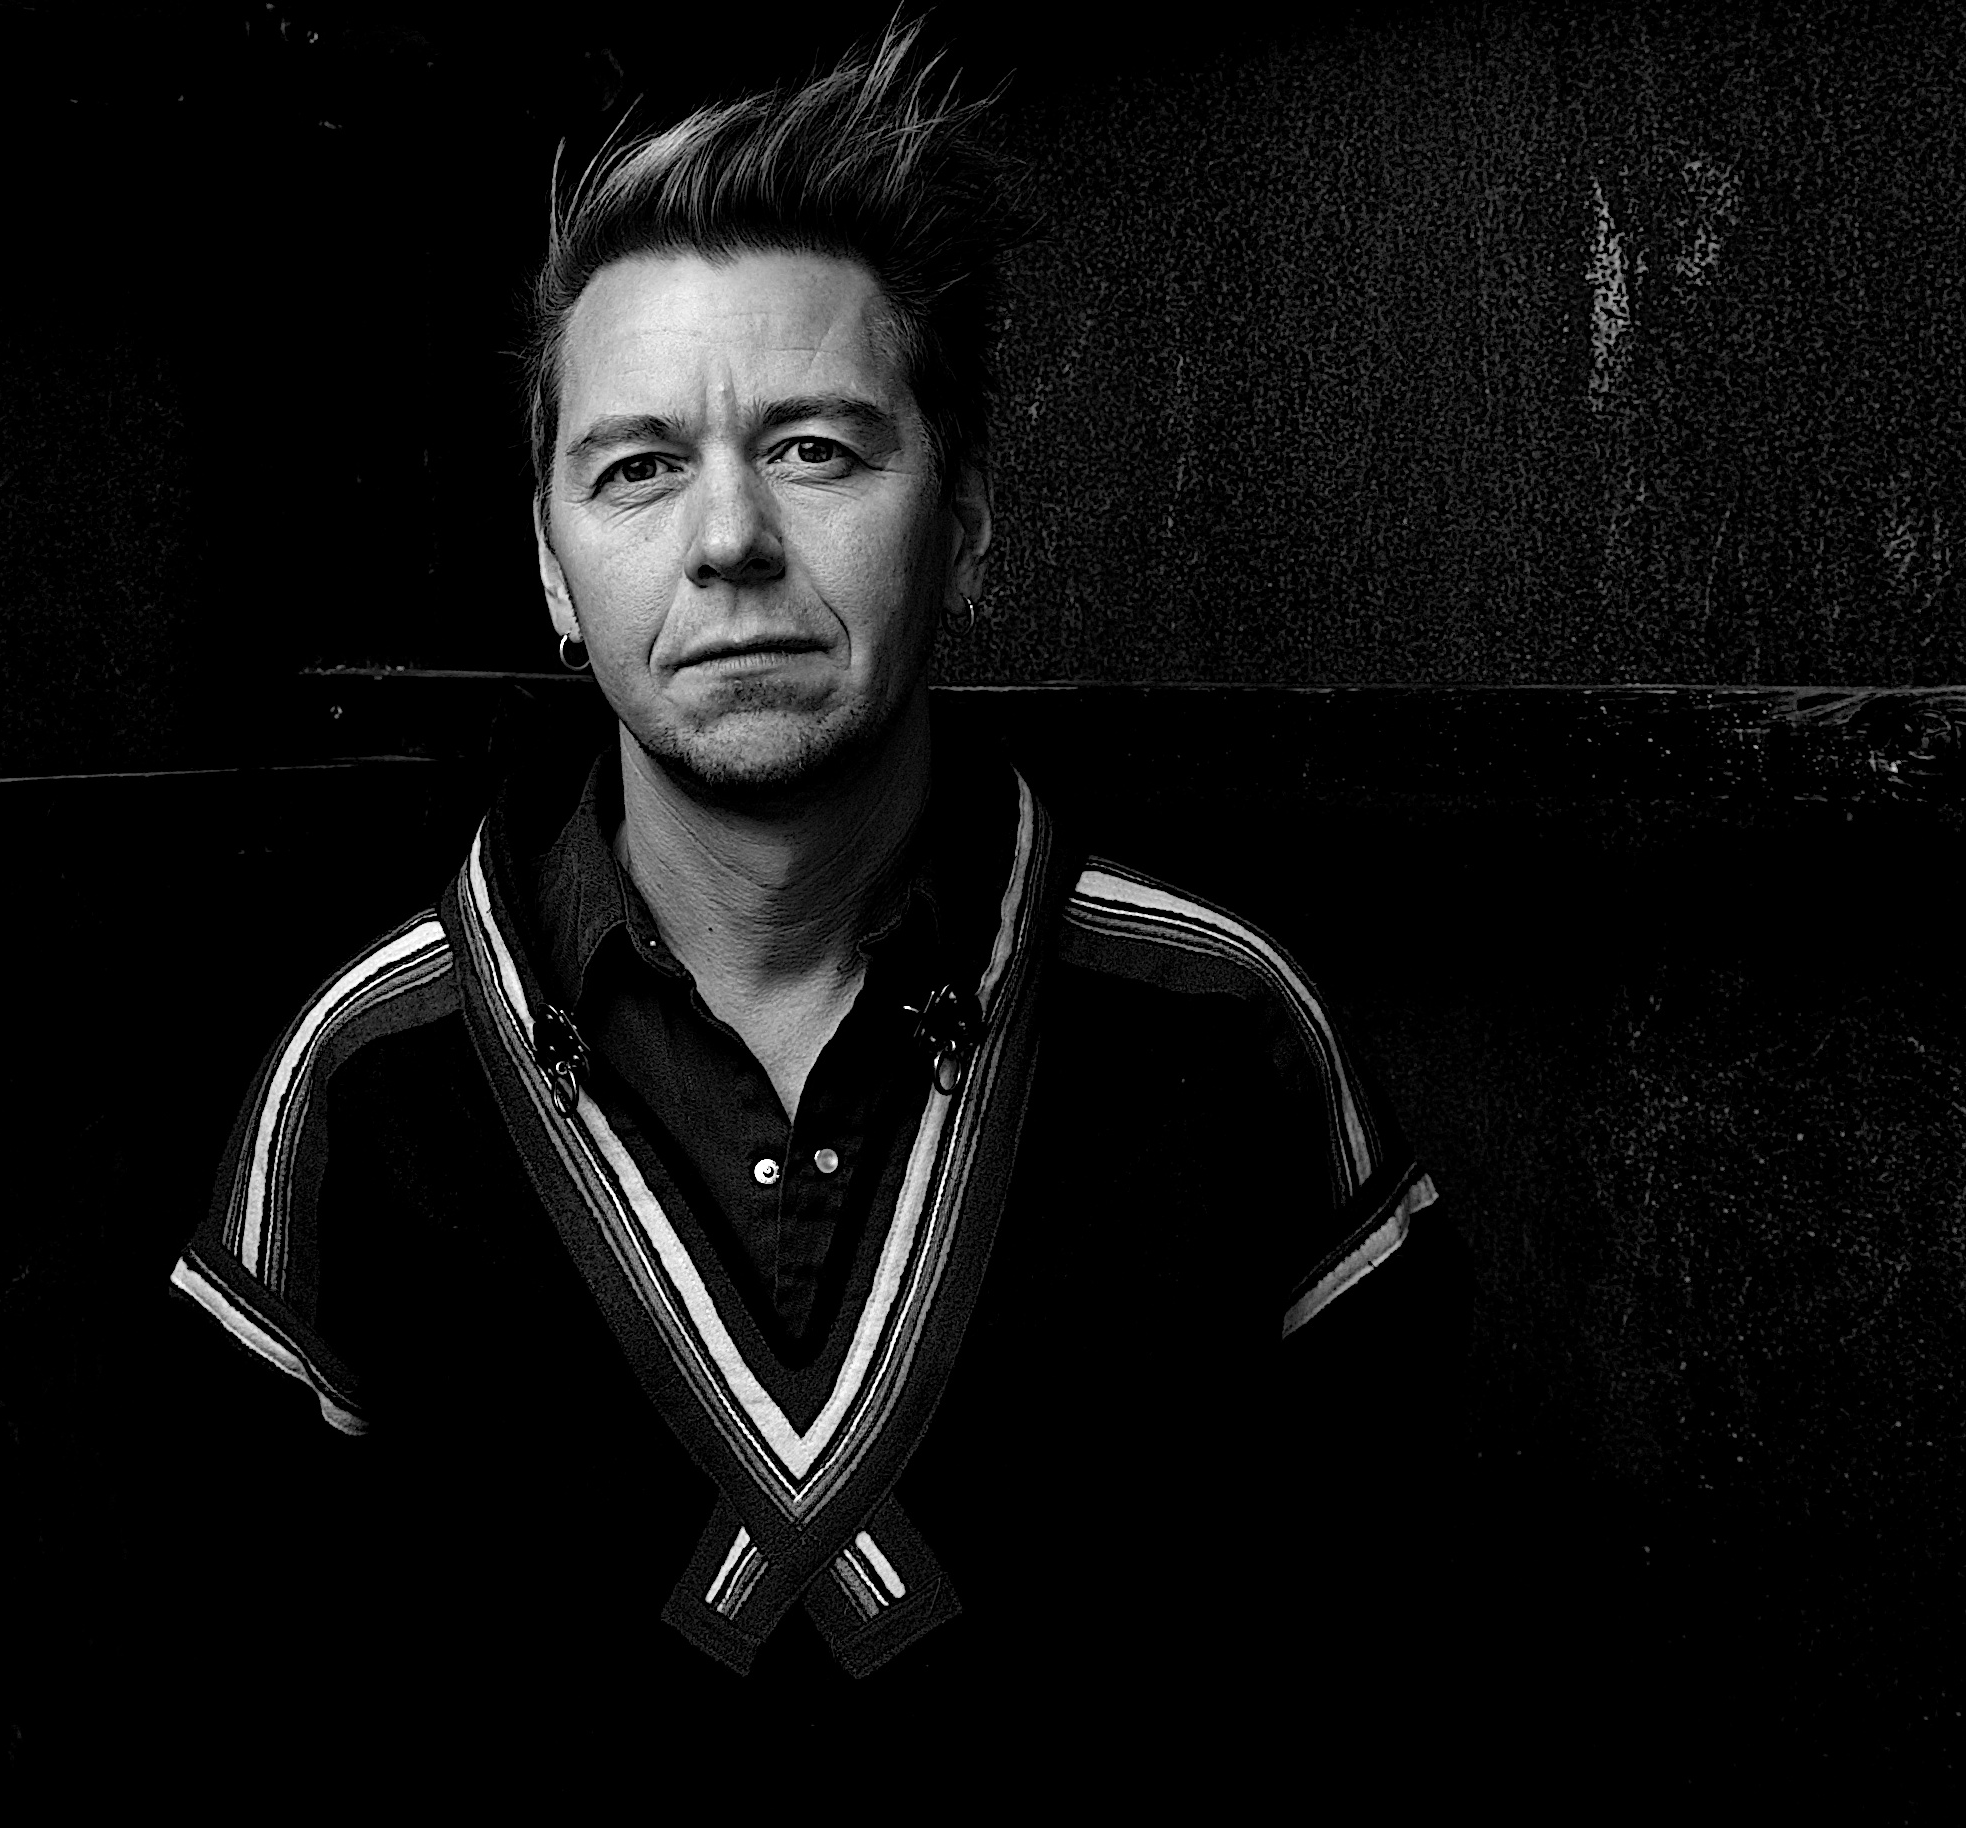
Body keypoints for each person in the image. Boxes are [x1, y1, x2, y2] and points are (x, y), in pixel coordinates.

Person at [166, 22, 1461, 1773]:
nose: (727, 542)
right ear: (549, 564)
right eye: (636, 466)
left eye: (815, 450)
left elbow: (1398, 1686)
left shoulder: (1222, 1028)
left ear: (967, 517)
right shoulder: (357, 1083)